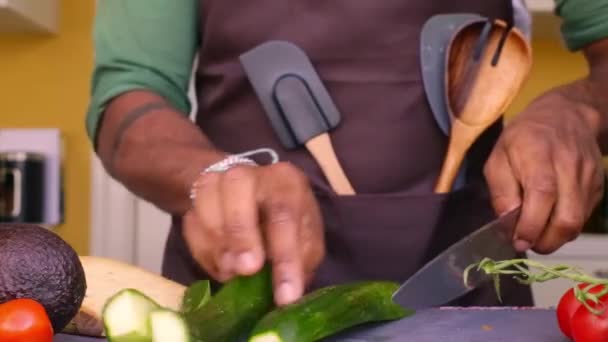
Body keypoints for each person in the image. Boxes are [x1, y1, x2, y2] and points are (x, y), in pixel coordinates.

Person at [86, 0, 608, 308]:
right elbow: (130, 96)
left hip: (468, 292)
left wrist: (578, 110)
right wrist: (210, 175)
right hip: (242, 299)